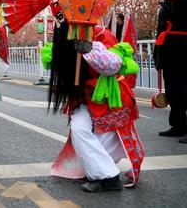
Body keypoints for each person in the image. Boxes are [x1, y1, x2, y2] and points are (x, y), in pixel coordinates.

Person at [47, 21, 142, 192]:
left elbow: (115, 65)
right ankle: (106, 174)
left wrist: (90, 50)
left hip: (109, 98)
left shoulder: (101, 34)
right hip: (83, 98)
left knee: (102, 142)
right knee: (79, 130)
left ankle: (107, 177)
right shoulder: (64, 38)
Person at [154, 0, 187, 142]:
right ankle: (178, 126)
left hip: (184, 53)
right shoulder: (164, 8)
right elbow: (160, 33)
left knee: (185, 91)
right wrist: (157, 57)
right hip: (168, 54)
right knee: (173, 92)